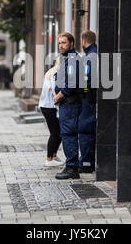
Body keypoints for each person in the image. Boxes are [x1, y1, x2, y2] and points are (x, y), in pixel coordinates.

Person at [53, 32, 83, 180]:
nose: (61, 45)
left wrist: (58, 97)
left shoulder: (73, 61)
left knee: (69, 134)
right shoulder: (65, 59)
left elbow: (70, 84)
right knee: (66, 134)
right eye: (59, 43)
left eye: (64, 43)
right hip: (65, 103)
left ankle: (72, 168)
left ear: (71, 44)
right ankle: (71, 165)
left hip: (70, 104)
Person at [78, 30, 98, 173]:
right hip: (91, 97)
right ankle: (87, 160)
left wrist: (83, 93)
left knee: (85, 130)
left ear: (84, 41)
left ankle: (86, 162)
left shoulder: (90, 57)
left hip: (88, 99)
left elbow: (86, 80)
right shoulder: (94, 54)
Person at [38, 57, 64, 167]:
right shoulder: (55, 73)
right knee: (55, 133)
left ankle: (53, 155)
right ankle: (49, 159)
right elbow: (54, 90)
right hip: (50, 107)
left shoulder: (52, 71)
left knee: (58, 133)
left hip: (47, 106)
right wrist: (57, 99)